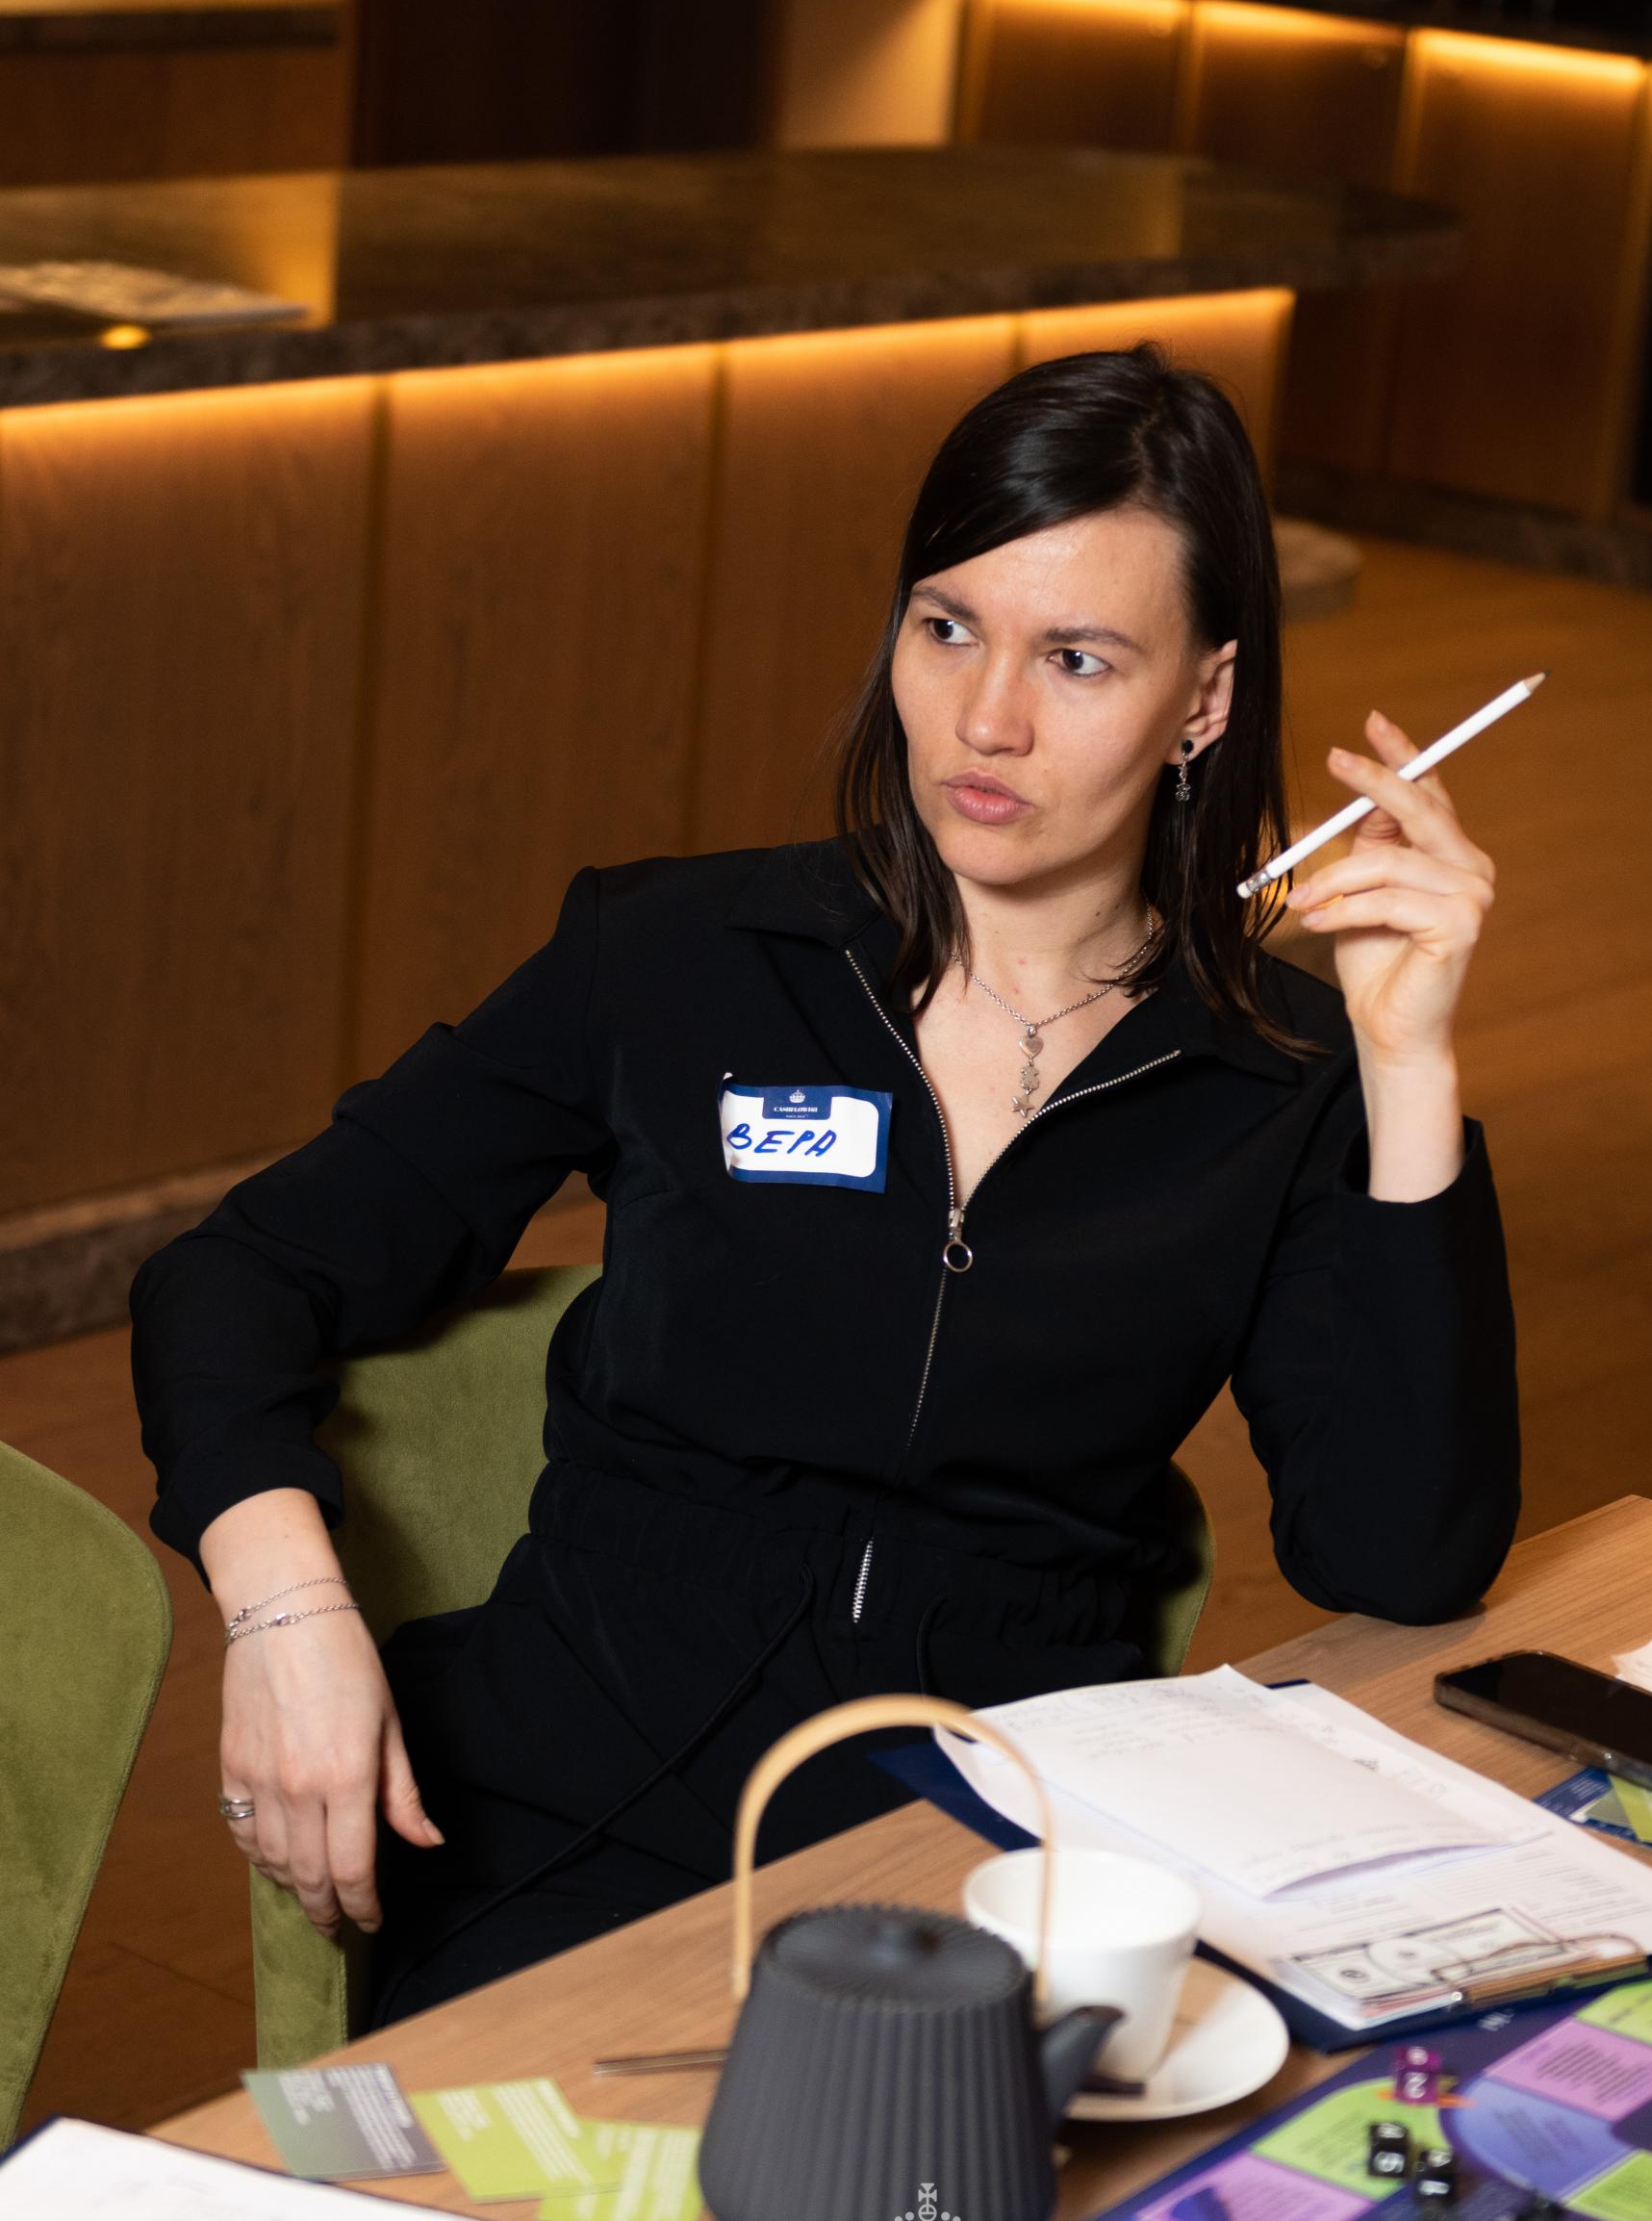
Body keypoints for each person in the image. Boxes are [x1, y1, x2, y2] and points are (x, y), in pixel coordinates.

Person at [131, 345, 1519, 2022]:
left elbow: (1399, 1556)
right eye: (948, 628)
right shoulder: (675, 957)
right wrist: (286, 1615)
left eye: (1077, 658)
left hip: (992, 1839)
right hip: (572, 1810)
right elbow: (239, 1274)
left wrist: (1409, 1068)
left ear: (1204, 702)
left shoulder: (1281, 1077)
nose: (987, 720)